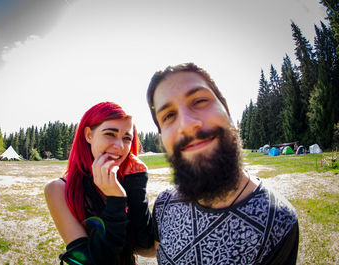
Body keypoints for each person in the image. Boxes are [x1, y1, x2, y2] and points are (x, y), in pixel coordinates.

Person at [146, 63, 299, 264]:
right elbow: (151, 248)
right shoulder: (164, 203)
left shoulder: (279, 221)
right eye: (168, 116)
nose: (187, 125)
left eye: (199, 100)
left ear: (226, 108)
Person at [44, 102, 154, 265]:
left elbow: (146, 245)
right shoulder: (58, 189)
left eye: (127, 138)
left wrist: (137, 187)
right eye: (110, 134)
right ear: (88, 135)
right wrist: (116, 200)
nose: (120, 146)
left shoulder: (125, 182)